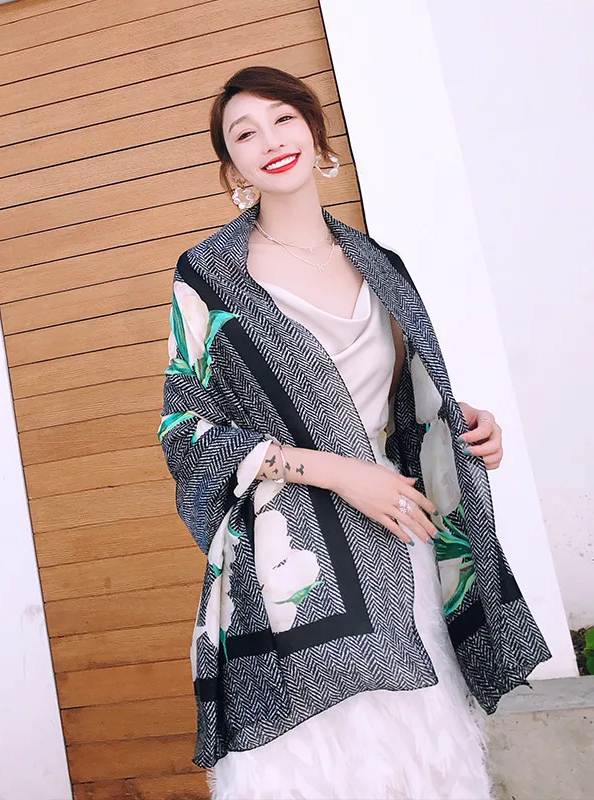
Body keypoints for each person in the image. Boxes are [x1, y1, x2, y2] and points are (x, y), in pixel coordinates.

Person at [157, 66, 551, 800]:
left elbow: (400, 404)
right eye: (245, 133)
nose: (270, 141)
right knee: (329, 769)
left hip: (401, 544)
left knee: (424, 759)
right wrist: (340, 472)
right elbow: (187, 430)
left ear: (315, 133)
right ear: (231, 167)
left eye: (283, 119)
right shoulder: (209, 276)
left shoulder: (381, 265)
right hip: (295, 566)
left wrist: (465, 424)